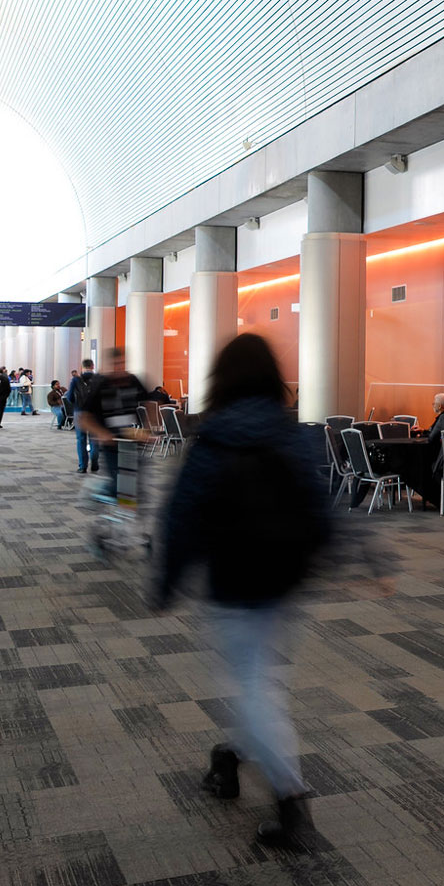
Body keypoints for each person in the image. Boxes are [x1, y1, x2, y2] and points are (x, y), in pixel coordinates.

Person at [154, 333, 334, 849]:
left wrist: (166, 582)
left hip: (233, 580)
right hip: (285, 577)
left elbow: (182, 515)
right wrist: (341, 557)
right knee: (260, 679)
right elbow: (321, 504)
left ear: (222, 380)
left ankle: (293, 803)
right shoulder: (290, 433)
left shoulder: (213, 438)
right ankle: (230, 758)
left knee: (254, 685)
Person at [75, 348, 147, 498]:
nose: (119, 368)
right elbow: (84, 418)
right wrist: (101, 433)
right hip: (111, 443)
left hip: (131, 441)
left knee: (132, 485)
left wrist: (148, 429)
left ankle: (123, 507)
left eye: (122, 363)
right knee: (120, 485)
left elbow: (150, 402)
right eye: (116, 364)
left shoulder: (132, 380)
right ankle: (97, 490)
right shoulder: (101, 384)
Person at [68, 361, 98, 472]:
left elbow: (70, 397)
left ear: (82, 367)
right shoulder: (98, 379)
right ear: (93, 366)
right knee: (94, 438)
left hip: (80, 412)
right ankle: (94, 463)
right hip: (95, 413)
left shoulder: (76, 380)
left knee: (81, 439)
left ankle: (83, 466)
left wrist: (76, 405)